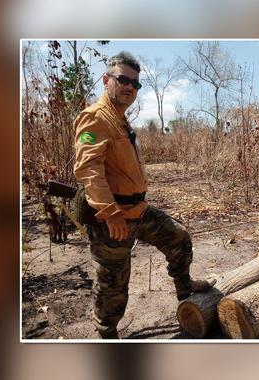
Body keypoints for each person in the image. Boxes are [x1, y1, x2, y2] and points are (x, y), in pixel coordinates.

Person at [73, 52, 215, 339]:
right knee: (113, 284)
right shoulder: (95, 119)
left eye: (135, 84)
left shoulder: (120, 120)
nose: (130, 88)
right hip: (112, 218)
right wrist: (110, 212)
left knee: (178, 237)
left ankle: (184, 289)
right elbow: (88, 169)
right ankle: (107, 333)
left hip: (138, 211)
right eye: (123, 80)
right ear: (106, 80)